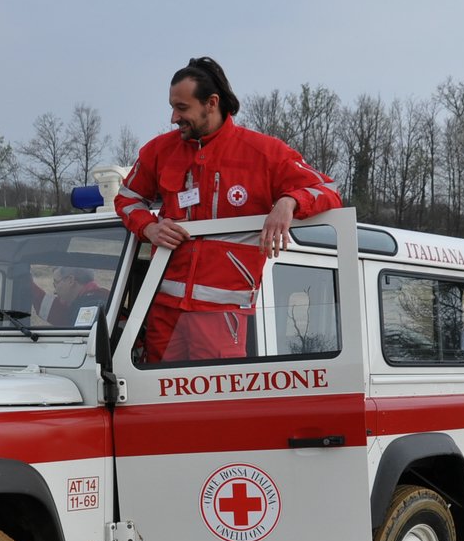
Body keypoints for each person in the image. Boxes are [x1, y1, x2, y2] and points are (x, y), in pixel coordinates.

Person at [115, 56, 342, 363]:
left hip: (221, 317)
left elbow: (328, 191)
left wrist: (289, 202)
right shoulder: (160, 150)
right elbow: (127, 198)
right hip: (163, 310)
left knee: (211, 407)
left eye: (182, 108)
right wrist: (149, 227)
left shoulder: (264, 153)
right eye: (172, 106)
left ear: (211, 102)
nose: (172, 117)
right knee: (161, 406)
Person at [34, 266, 109, 327]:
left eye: (56, 283)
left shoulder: (88, 307)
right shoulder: (105, 296)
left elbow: (79, 340)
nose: (55, 291)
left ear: (70, 280)